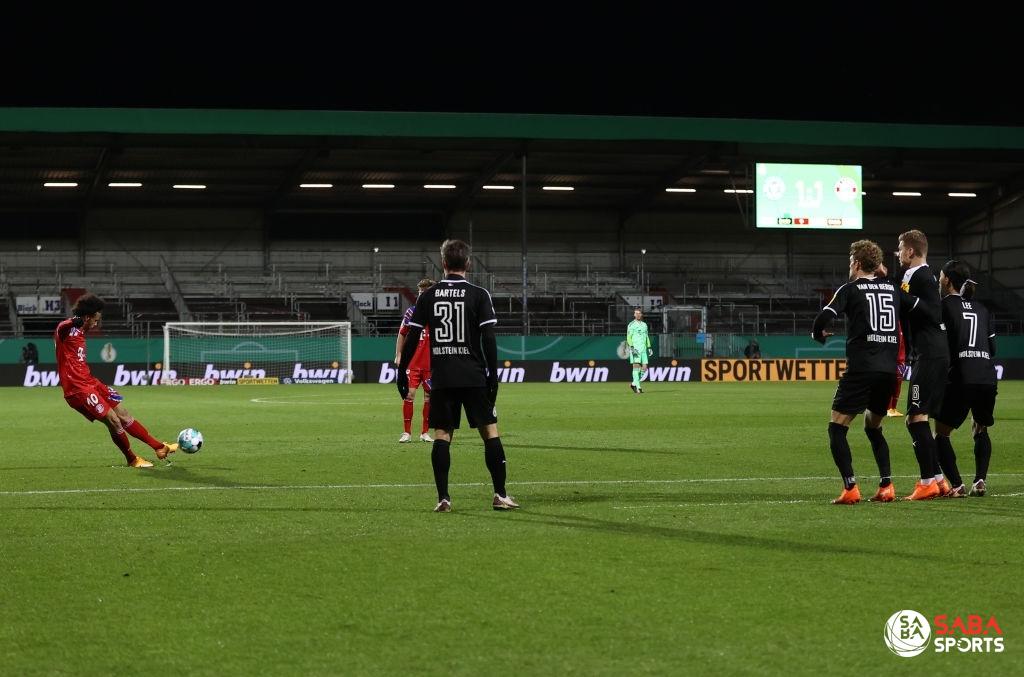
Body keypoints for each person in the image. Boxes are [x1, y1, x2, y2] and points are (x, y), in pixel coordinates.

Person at [397, 239, 518, 513]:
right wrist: (493, 376)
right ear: (468, 263)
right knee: (490, 432)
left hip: (442, 377)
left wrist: (401, 371)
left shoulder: (427, 296)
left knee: (442, 435)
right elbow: (489, 338)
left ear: (443, 264)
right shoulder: (479, 294)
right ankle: (500, 495)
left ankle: (444, 499)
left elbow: (413, 337)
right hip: (474, 375)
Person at [812, 240, 920, 504]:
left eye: (851, 261)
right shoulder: (892, 289)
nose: (850, 265)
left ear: (857, 264)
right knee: (874, 427)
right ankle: (886, 485)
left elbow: (823, 318)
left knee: (836, 428)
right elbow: (918, 306)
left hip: (861, 370)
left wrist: (818, 334)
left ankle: (850, 487)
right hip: (887, 372)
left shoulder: (850, 289)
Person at [55, 293, 178, 468]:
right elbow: (61, 327)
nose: (97, 323)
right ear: (87, 317)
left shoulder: (81, 332)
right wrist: (72, 321)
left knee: (123, 414)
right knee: (113, 420)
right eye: (96, 320)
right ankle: (132, 459)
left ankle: (159, 447)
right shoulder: (66, 331)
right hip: (78, 389)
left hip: (90, 382)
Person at [933, 261, 998, 498]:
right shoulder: (983, 309)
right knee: (980, 427)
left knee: (940, 434)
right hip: (986, 376)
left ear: (948, 280)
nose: (939, 280)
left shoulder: (943, 307)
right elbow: (992, 348)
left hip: (960, 375)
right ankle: (980, 481)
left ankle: (958, 485)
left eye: (940, 276)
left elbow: (941, 346)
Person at [896, 229, 951, 500]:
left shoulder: (923, 277)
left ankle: (927, 481)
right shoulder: (915, 276)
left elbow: (932, 312)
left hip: (929, 355)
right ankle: (939, 480)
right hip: (930, 354)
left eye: (899, 248)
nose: (897, 253)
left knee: (915, 418)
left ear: (910, 251)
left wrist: (899, 295)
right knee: (920, 418)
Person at [394, 278, 436, 443]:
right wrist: (398, 354)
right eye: (420, 293)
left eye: (424, 293)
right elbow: (402, 334)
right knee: (409, 395)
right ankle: (406, 432)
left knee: (429, 397)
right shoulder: (412, 312)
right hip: (412, 362)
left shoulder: (438, 314)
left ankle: (425, 432)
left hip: (431, 363)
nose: (421, 296)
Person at [626, 307, 652, 393]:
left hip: (643, 349)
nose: (637, 315)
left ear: (641, 314)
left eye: (639, 313)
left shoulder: (644, 325)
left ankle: (633, 384)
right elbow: (629, 337)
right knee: (636, 366)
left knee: (644, 368)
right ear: (634, 314)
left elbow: (647, 336)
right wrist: (632, 347)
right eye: (636, 313)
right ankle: (638, 387)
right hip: (635, 349)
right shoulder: (631, 325)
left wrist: (649, 347)